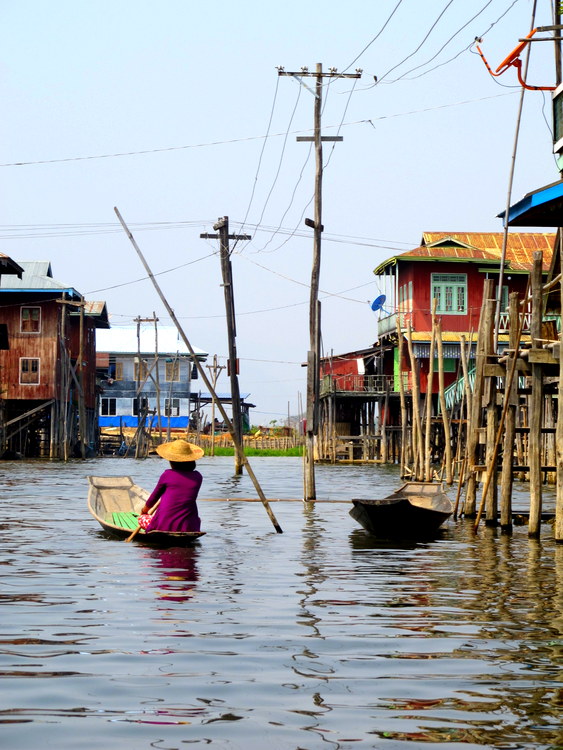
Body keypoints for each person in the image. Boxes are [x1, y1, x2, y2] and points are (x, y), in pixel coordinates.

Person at [137, 439, 204, 533]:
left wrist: (144, 511)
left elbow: (154, 498)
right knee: (198, 519)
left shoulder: (167, 475)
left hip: (163, 526)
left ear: (172, 462)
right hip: (189, 526)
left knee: (141, 518)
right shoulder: (198, 477)